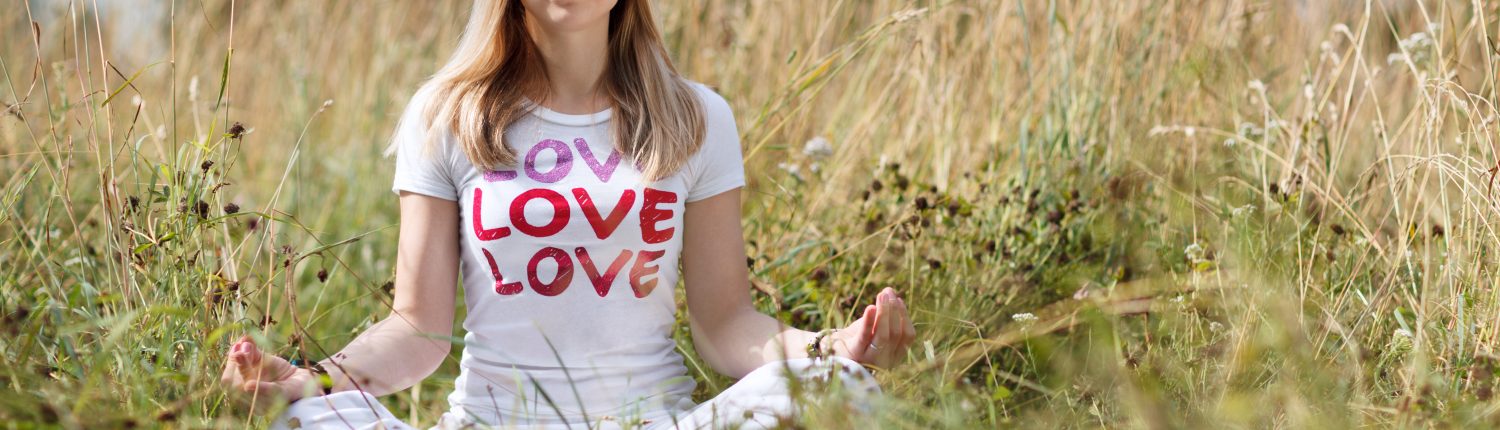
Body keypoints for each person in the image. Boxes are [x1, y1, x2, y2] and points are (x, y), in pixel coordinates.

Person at [218, 0, 917, 428]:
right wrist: (313, 379)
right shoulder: (448, 114)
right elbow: (418, 329)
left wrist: (832, 346)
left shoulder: (696, 116)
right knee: (300, 418)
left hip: (655, 422)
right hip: (492, 424)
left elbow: (726, 322)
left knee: (839, 390)